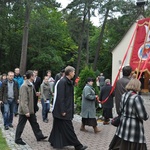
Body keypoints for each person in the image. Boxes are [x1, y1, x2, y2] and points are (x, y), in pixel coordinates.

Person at [49, 66, 87, 150]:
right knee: (69, 129)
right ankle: (78, 145)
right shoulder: (63, 82)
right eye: (73, 72)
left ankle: (53, 141)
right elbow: (61, 97)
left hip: (65, 110)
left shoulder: (67, 82)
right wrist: (63, 110)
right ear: (69, 73)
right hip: (63, 111)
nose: (74, 73)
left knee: (57, 127)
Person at [109, 78, 149, 150]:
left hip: (123, 124)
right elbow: (143, 115)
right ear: (137, 86)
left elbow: (121, 109)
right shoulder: (137, 98)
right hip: (134, 127)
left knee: (124, 145)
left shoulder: (124, 95)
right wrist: (147, 116)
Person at [15, 70, 47, 145]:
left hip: (31, 109)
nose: (35, 75)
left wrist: (36, 94)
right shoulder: (24, 86)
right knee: (21, 125)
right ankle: (17, 139)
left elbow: (30, 95)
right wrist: (26, 111)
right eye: (34, 75)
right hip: (25, 110)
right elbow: (23, 100)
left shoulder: (31, 84)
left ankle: (39, 136)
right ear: (31, 76)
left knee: (35, 123)